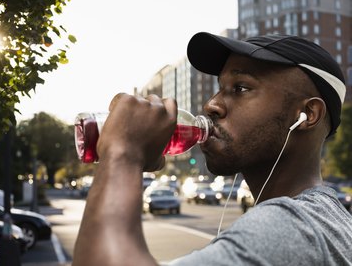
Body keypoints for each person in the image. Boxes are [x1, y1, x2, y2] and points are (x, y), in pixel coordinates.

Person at [72, 32, 352, 266]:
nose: (211, 105)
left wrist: (123, 153)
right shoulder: (324, 222)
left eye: (240, 88)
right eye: (220, 88)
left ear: (307, 114)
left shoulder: (293, 228)